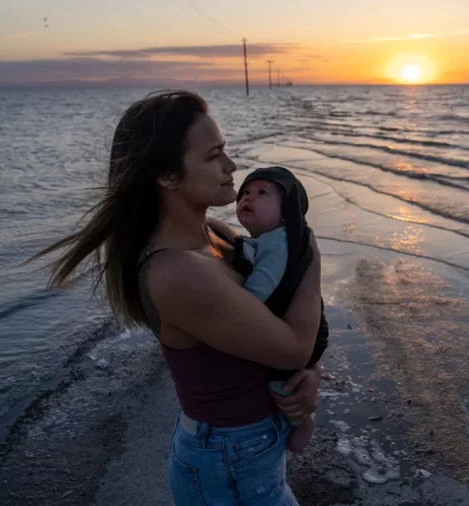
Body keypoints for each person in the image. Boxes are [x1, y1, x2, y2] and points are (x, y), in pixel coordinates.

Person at [33, 90, 322, 506]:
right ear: (167, 177)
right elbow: (293, 346)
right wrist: (308, 250)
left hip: (250, 450)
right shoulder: (177, 272)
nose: (231, 167)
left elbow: (282, 310)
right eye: (214, 156)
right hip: (227, 461)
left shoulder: (218, 236)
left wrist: (310, 376)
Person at [231, 166, 330, 453]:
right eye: (245, 193)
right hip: (297, 323)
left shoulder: (278, 243)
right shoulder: (271, 239)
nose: (249, 198)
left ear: (286, 212)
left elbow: (264, 282)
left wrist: (240, 301)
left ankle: (300, 421)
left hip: (305, 333)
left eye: (263, 193)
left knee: (280, 381)